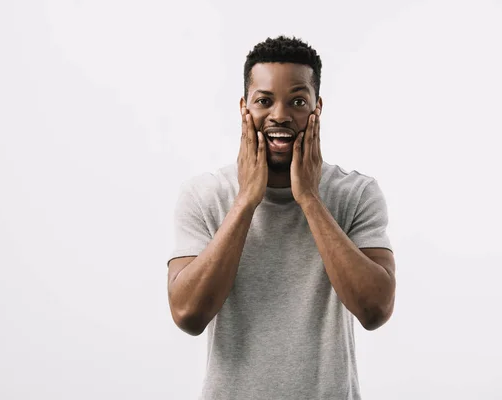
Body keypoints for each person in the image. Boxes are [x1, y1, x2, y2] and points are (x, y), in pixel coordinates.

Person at [166, 35, 396, 400]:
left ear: (317, 108)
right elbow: (187, 314)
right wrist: (246, 201)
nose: (280, 115)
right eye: (264, 101)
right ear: (244, 107)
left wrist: (308, 197)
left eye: (298, 101)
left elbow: (375, 310)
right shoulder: (205, 195)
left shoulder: (356, 194)